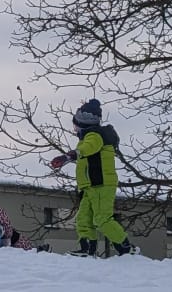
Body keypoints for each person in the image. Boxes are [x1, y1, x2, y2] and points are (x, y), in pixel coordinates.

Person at [49, 98, 132, 256]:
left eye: (76, 125)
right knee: (83, 219)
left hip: (101, 184)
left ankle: (126, 248)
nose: (74, 129)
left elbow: (90, 148)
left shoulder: (95, 135)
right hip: (90, 186)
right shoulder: (88, 137)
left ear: (83, 123)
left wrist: (70, 156)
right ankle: (87, 249)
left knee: (102, 219)